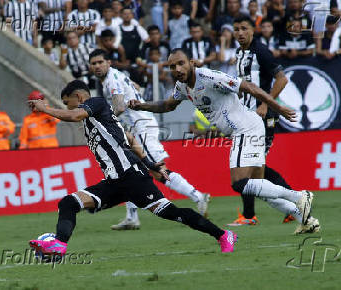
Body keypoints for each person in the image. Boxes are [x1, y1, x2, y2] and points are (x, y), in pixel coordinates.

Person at [28, 80, 237, 256]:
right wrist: (151, 164)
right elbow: (129, 138)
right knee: (68, 203)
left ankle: (222, 235)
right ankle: (59, 245)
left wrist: (44, 108)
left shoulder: (97, 103)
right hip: (114, 182)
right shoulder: (98, 120)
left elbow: (74, 116)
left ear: (80, 98)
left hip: (131, 177)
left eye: (68, 103)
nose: (68, 108)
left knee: (170, 212)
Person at [128, 48, 320, 234]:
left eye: (181, 63)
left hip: (246, 128)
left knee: (239, 183)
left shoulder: (210, 77)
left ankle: (300, 196)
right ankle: (305, 219)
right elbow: (168, 105)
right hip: (247, 129)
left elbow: (249, 87)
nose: (177, 69)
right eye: (172, 66)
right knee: (258, 187)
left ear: (192, 63)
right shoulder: (182, 86)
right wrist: (141, 105)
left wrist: (277, 107)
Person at [89, 49, 210, 230]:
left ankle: (197, 196)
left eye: (100, 62)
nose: (97, 66)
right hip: (134, 127)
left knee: (157, 170)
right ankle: (131, 217)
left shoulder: (111, 79)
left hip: (141, 126)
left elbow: (120, 106)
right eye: (94, 64)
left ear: (108, 62)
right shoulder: (116, 76)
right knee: (129, 171)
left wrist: (104, 120)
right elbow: (136, 87)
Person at [233, 16, 306, 227]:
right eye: (237, 29)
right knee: (256, 166)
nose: (240, 33)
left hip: (264, 117)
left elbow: (282, 78)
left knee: (249, 166)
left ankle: (249, 216)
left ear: (252, 31)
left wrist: (266, 103)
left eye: (244, 28)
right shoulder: (239, 53)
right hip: (247, 118)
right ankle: (295, 202)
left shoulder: (261, 52)